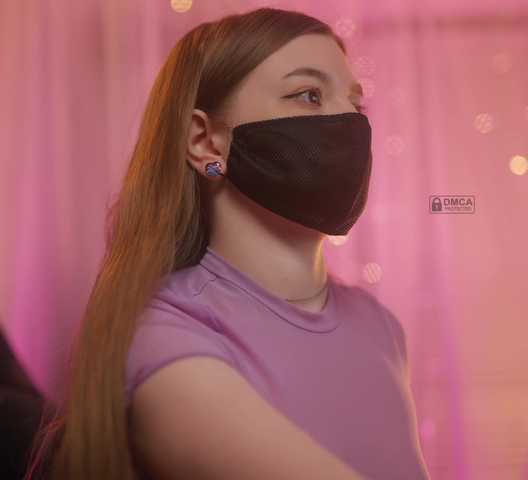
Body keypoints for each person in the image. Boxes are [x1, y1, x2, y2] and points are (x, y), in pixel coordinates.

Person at [25, 7, 431, 480]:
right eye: (309, 95)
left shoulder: (380, 326)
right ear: (207, 143)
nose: (348, 122)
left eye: (356, 106)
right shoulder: (164, 333)